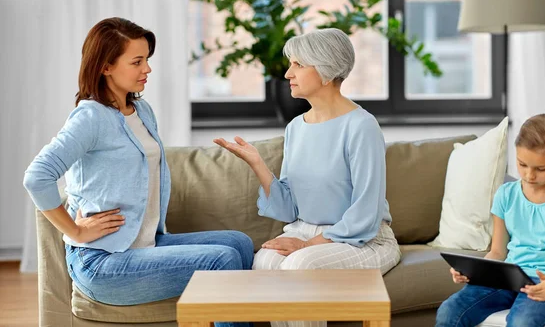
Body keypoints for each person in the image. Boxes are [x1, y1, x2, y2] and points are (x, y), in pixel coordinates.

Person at [23, 17, 253, 327]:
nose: (147, 69)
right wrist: (74, 231)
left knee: (238, 243)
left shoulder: (141, 111)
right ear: (106, 66)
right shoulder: (90, 117)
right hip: (103, 263)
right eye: (137, 61)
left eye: (147, 59)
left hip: (146, 245)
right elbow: (37, 176)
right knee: (221, 260)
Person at [214, 28, 401, 327]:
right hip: (306, 229)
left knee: (300, 265)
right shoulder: (295, 128)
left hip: (363, 239)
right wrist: (258, 164)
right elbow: (290, 209)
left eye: (298, 65)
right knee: (265, 260)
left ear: (326, 71)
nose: (288, 73)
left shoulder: (361, 126)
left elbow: (366, 213)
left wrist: (307, 245)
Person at [436, 113, 545, 327]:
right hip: (509, 279)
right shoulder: (506, 194)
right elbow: (498, 252)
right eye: (522, 165)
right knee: (449, 311)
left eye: (540, 169)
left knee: (522, 322)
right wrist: (474, 272)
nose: (529, 175)